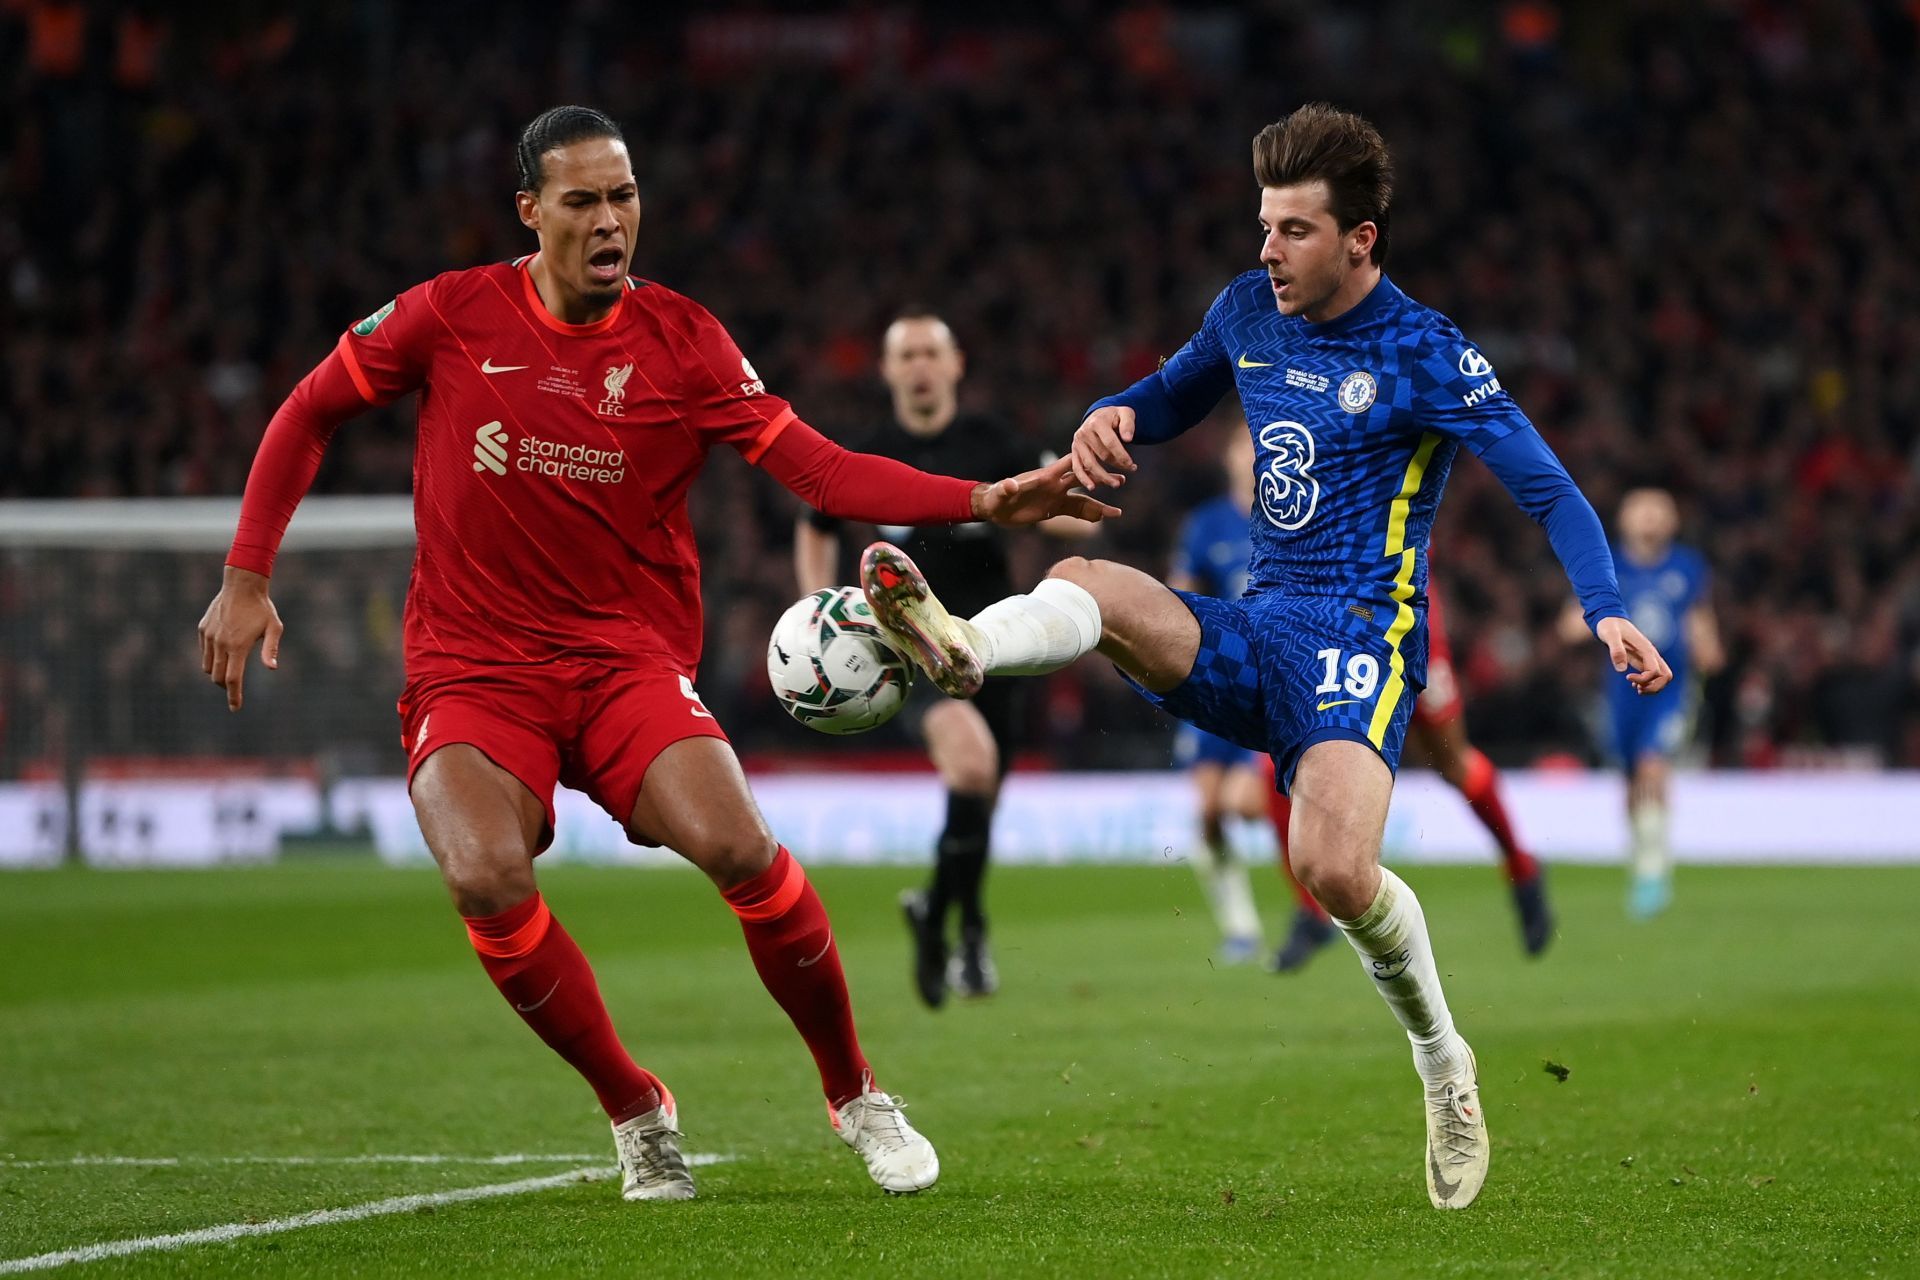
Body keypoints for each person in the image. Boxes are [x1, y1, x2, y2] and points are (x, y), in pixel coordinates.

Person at [195, 106, 1112, 1203]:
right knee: (484, 874)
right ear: (531, 212)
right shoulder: (450, 313)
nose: (608, 219)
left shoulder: (684, 341)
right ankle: (636, 1107)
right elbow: (307, 411)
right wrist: (247, 575)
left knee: (741, 848)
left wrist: (985, 499)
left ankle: (856, 1091)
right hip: (475, 665)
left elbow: (818, 471)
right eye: (580, 200)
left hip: (626, 660)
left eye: (623, 196)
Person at [857, 103, 1670, 1210]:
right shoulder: (1248, 310)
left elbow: (1548, 485)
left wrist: (1605, 603)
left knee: (1333, 869)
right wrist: (1111, 416)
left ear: (1359, 240)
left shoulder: (1425, 351)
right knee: (1090, 584)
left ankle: (1444, 1062)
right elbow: (1170, 396)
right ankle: (960, 643)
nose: (1267, 251)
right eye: (1264, 225)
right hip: (1257, 622)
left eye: (1293, 230)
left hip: (1361, 643)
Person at [794, 309, 1089, 1008]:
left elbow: (1069, 508)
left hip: (995, 642)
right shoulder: (869, 449)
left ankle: (954, 916)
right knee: (974, 767)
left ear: (956, 365)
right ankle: (943, 933)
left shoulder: (993, 441)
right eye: (908, 355)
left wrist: (1058, 501)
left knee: (982, 798)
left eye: (933, 352)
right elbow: (815, 523)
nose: (922, 366)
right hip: (910, 651)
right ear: (890, 370)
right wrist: (818, 613)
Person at [1268, 581, 1555, 971]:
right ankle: (1312, 913)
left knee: (1453, 764)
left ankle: (1522, 868)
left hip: (1404, 618)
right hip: (1331, 620)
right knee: (1279, 762)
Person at [1560, 487, 1721, 918]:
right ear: (1624, 520)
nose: (1650, 517)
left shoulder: (1687, 567)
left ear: (1673, 521)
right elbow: (1573, 619)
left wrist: (1708, 645)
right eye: (1641, 509)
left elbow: (1698, 621)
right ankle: (1641, 853)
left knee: (1654, 764)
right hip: (1620, 690)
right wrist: (1579, 626)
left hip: (1671, 689)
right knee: (1631, 776)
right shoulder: (1606, 564)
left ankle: (1654, 867)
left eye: (1659, 509)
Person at [1165, 427, 1268, 963]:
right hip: (1217, 674)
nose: (1252, 452)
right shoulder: (1207, 524)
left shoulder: (1290, 512)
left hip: (1274, 676)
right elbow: (1180, 596)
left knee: (1247, 803)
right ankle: (1241, 926)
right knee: (1208, 809)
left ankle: (1318, 901)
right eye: (1243, 443)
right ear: (1229, 455)